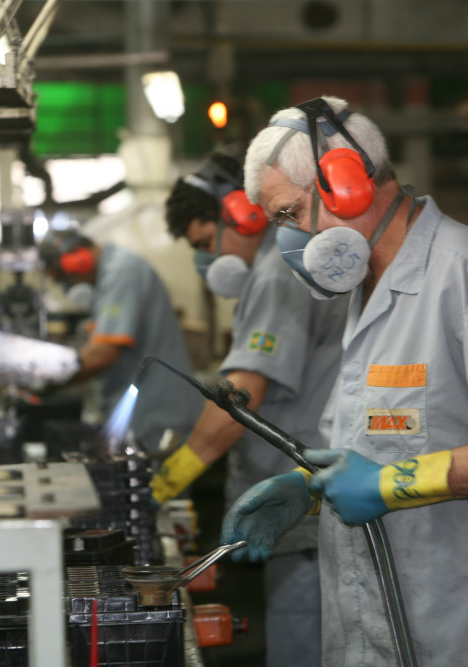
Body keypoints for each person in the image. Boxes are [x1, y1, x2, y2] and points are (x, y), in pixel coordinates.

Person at [221, 96, 468, 667]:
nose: (286, 242)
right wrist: (311, 487)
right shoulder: (365, 289)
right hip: (382, 626)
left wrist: (388, 485)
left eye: (288, 215)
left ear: (347, 186)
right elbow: (390, 442)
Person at [151, 152, 348, 667]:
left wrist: (171, 477)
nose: (204, 259)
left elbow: (242, 394)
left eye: (202, 243)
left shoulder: (275, 275)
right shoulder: (278, 268)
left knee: (302, 641)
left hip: (303, 502)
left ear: (239, 213)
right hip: (299, 497)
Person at [38, 229, 201, 449]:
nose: (66, 286)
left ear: (78, 261)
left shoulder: (121, 272)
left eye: (62, 277)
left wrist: (44, 379)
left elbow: (103, 353)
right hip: (144, 413)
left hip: (156, 416)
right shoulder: (110, 273)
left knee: (154, 483)